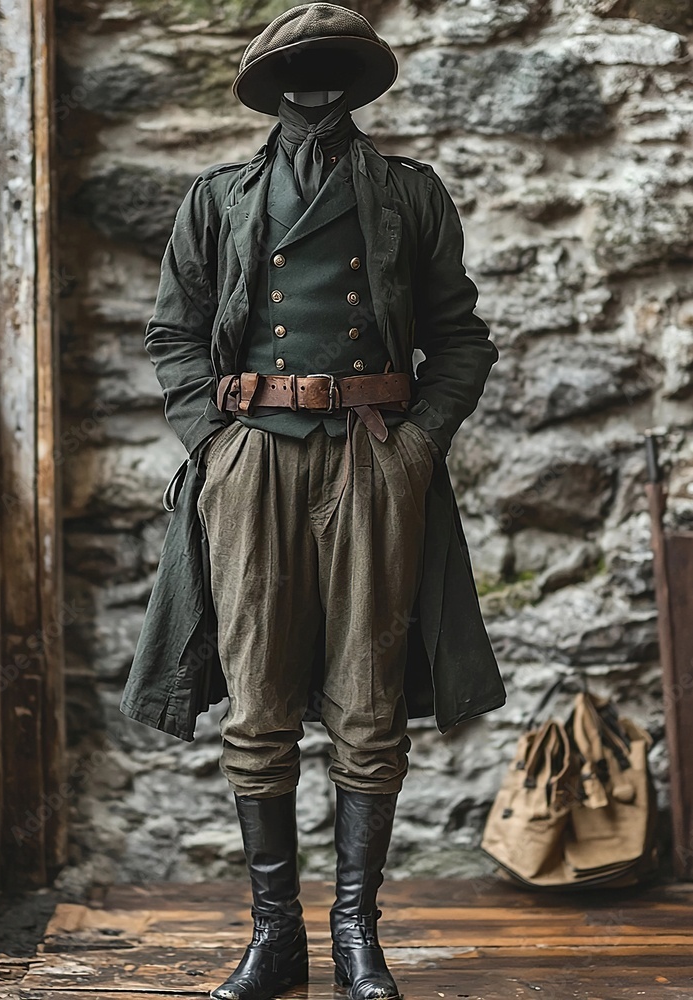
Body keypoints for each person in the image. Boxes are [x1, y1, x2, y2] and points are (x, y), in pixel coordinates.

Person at [119, 5, 507, 999]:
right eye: (299, 70)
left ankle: (355, 938)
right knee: (258, 702)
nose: (316, 88)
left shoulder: (410, 195)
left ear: (358, 80)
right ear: (271, 87)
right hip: (254, 459)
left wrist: (417, 444)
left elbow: (460, 337)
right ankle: (273, 938)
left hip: (373, 456)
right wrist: (217, 443)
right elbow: (174, 336)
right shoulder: (219, 198)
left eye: (334, 68)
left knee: (368, 702)